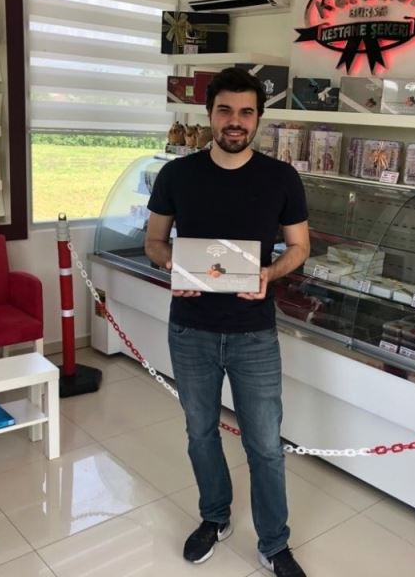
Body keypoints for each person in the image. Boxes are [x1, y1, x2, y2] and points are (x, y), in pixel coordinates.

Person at [145, 67, 310, 577]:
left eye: (245, 112)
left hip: (254, 333)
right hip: (190, 328)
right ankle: (214, 517)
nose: (235, 121)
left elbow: (299, 247)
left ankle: (274, 542)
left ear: (257, 118)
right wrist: (173, 265)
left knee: (265, 445)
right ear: (209, 114)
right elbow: (154, 242)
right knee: (200, 433)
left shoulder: (281, 178)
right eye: (225, 110)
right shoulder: (177, 175)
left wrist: (269, 272)